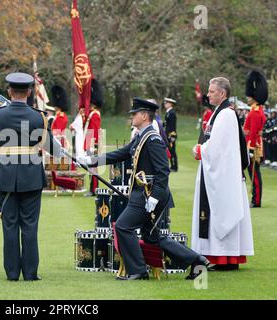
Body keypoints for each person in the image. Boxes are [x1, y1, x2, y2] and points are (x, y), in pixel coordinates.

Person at [78, 98, 209, 281]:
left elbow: (163, 171)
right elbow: (122, 153)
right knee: (153, 237)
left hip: (149, 194)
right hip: (143, 194)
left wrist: (154, 196)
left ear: (145, 116)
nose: (132, 117)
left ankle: (138, 271)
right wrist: (93, 160)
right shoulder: (141, 136)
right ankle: (197, 261)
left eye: (135, 114)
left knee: (123, 227)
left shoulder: (153, 139)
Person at [0, 72, 61, 281]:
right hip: (31, 175)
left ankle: (11, 273)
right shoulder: (39, 116)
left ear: (9, 91)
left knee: (10, 225)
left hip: (5, 175)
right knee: (30, 226)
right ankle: (30, 273)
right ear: (29, 92)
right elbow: (52, 148)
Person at [191, 77, 254, 271]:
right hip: (218, 171)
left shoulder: (226, 114)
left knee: (222, 212)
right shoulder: (219, 113)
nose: (207, 94)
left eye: (211, 91)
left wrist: (201, 150)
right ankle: (220, 256)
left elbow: (219, 147)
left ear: (222, 93)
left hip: (224, 174)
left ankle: (226, 257)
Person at [243, 70, 268, 208]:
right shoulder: (255, 111)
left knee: (255, 175)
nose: (247, 97)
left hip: (253, 146)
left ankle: (256, 200)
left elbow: (252, 133)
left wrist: (251, 149)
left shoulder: (255, 113)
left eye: (249, 96)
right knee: (254, 174)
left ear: (254, 96)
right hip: (253, 144)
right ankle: (255, 198)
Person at [83, 79, 103, 196]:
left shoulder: (95, 114)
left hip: (93, 143)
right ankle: (92, 188)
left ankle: (94, 189)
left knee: (93, 168)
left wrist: (93, 145)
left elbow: (94, 131)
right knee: (91, 167)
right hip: (90, 143)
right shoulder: (91, 113)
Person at [163, 98, 178, 172]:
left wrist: (172, 136)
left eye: (166, 103)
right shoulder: (168, 112)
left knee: (172, 151)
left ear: (170, 104)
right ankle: (172, 165)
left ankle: (174, 167)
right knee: (170, 150)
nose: (165, 104)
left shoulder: (172, 113)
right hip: (167, 134)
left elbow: (172, 126)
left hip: (171, 135)